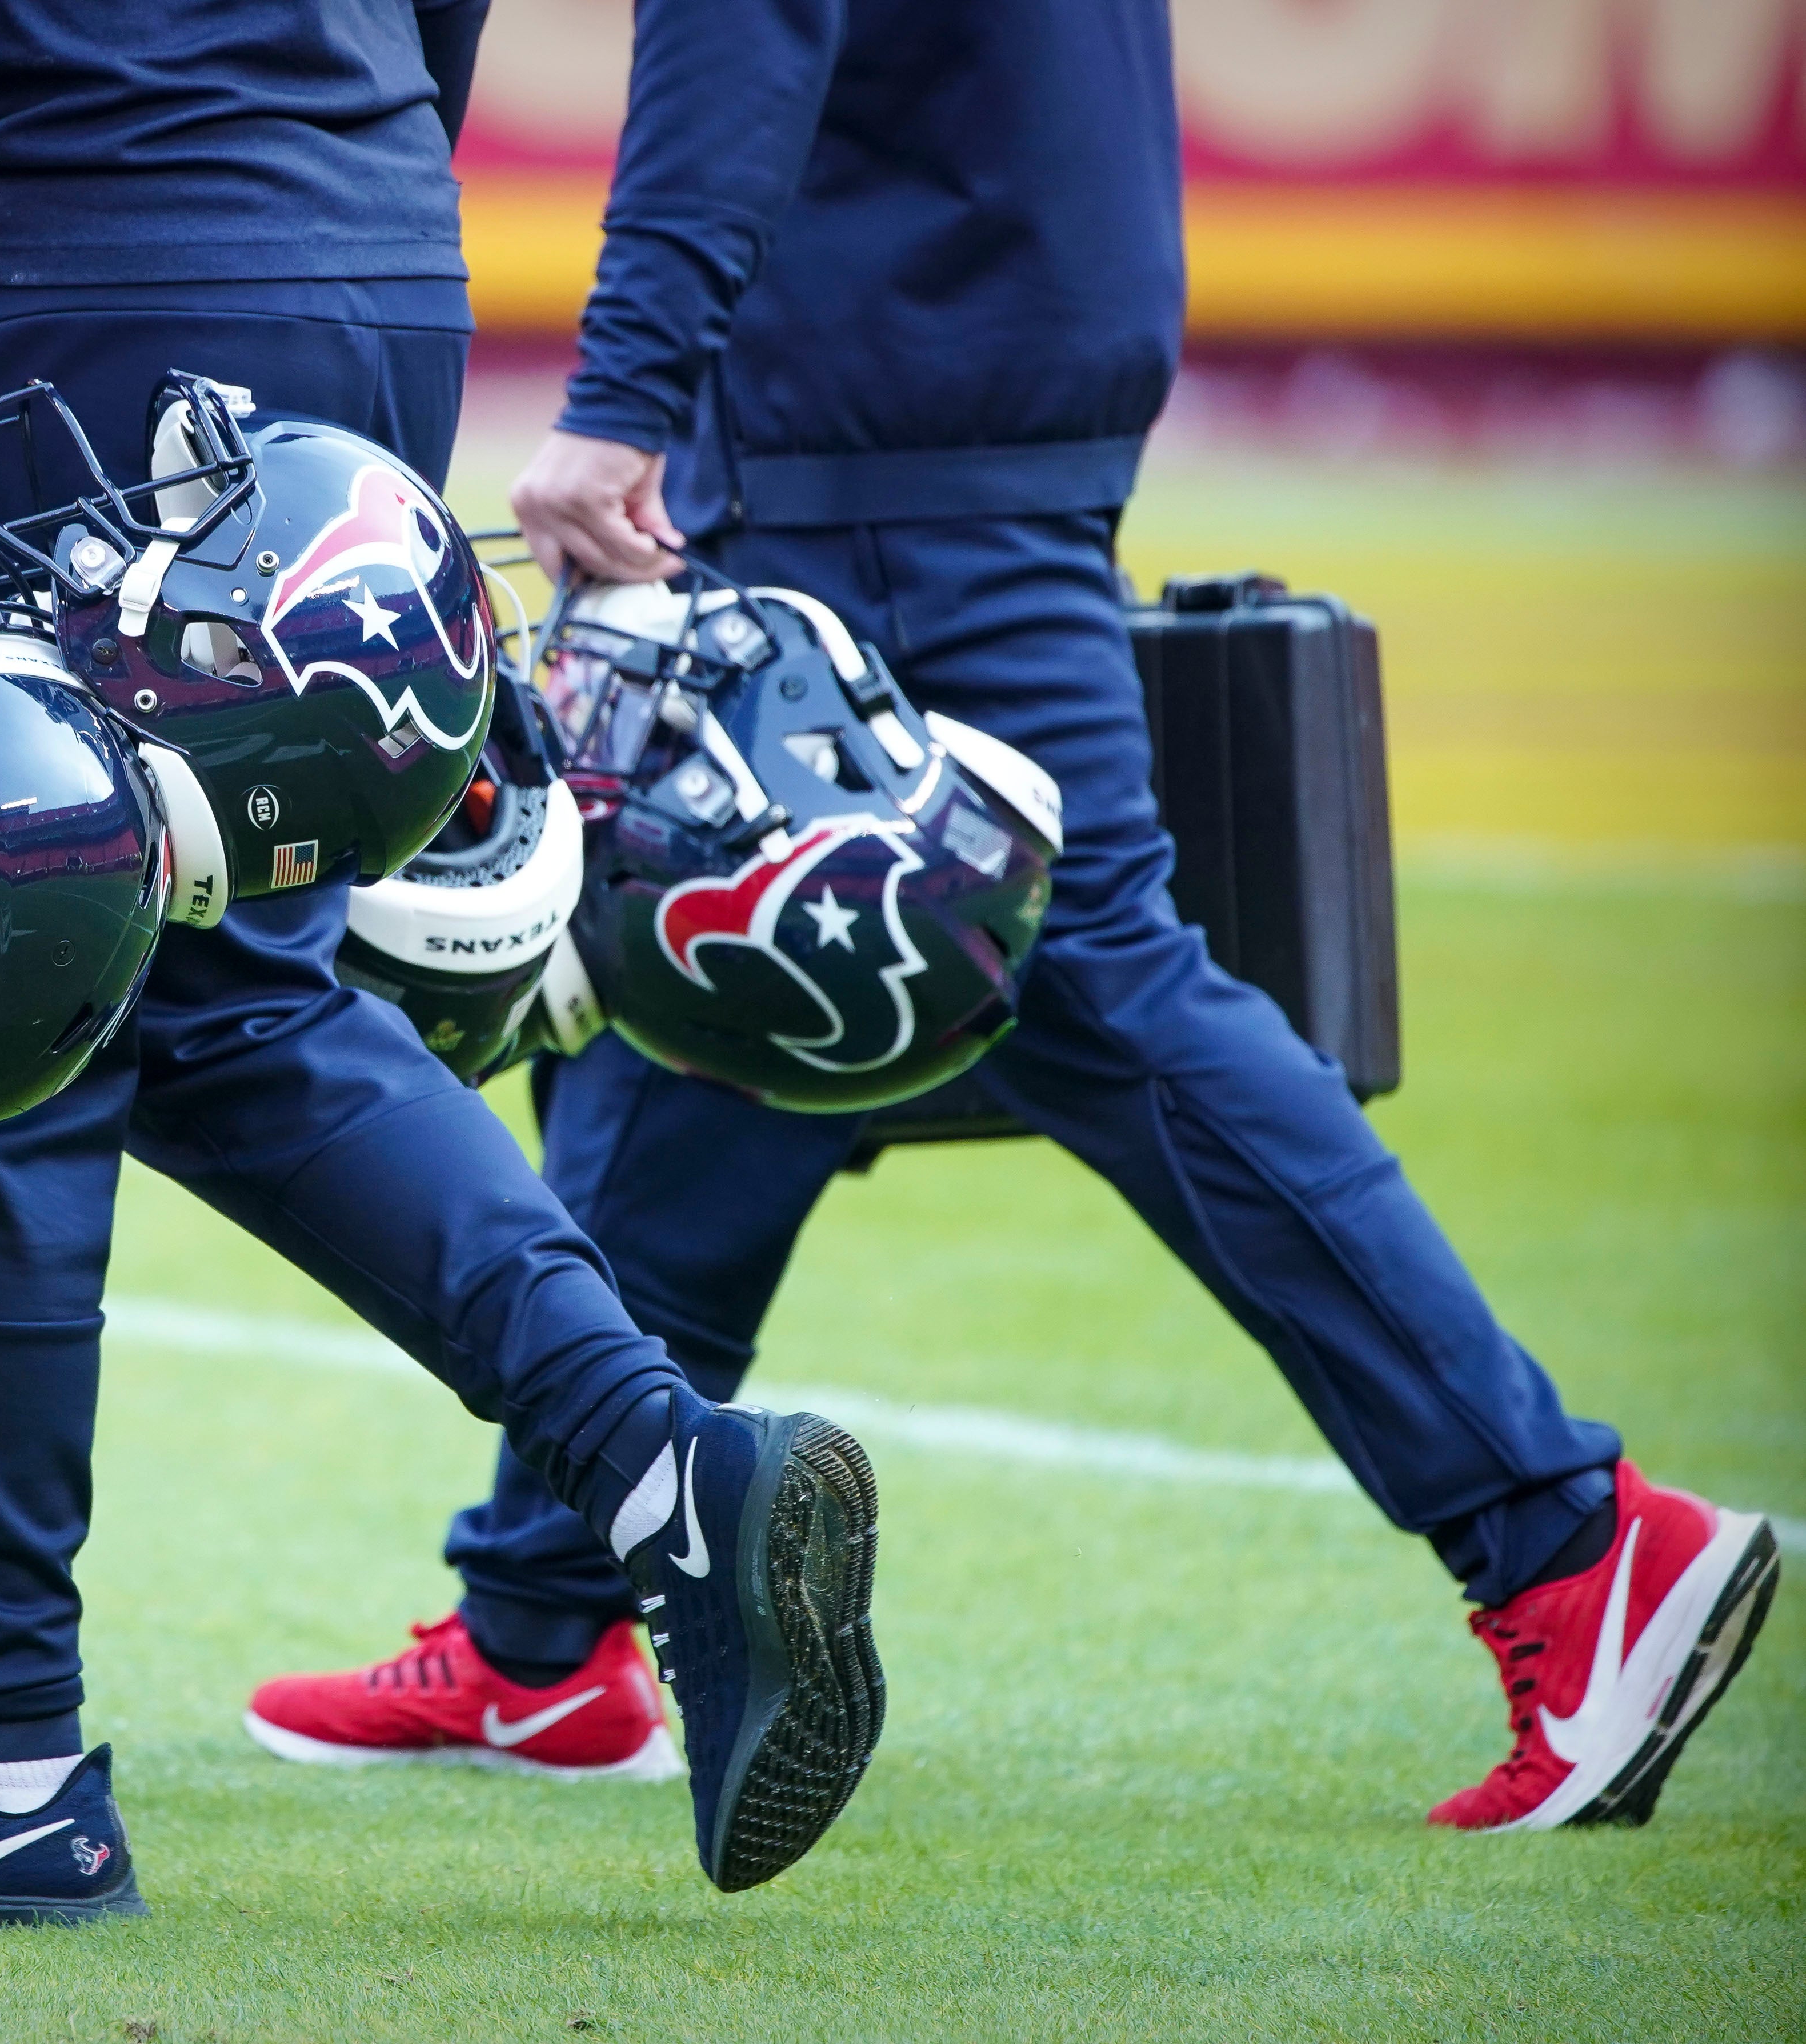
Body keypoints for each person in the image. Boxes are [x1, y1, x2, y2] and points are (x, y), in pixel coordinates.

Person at [242, 0, 1779, 1835]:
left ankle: (1568, 1544)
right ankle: (544, 1623)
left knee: (1085, 977)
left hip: (893, 411)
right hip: (973, 357)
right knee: (713, 978)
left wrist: (628, 398)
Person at [0, 0, 887, 1922]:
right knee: (237, 996)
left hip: (72, 264)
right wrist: (341, 176)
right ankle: (659, 1469)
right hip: (361, 260)